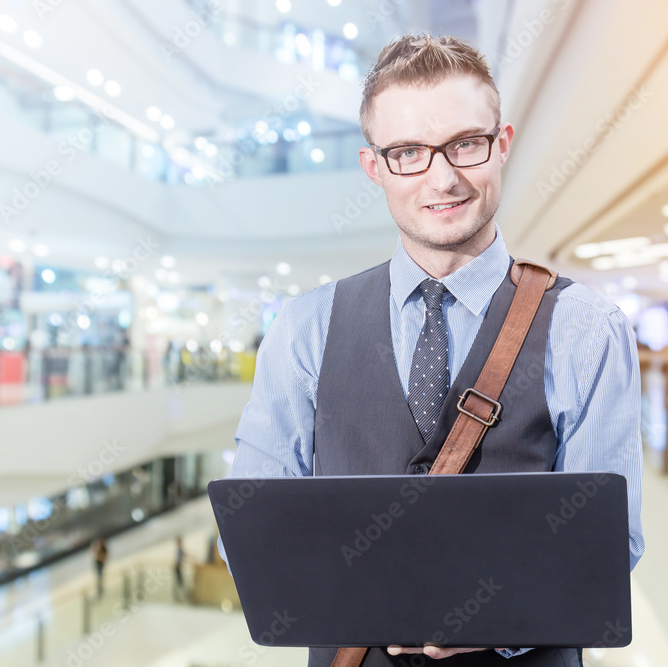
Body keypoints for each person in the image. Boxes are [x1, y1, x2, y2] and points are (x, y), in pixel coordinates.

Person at [221, 34, 644, 666]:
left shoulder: (587, 330)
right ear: (375, 167)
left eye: (465, 144)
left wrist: (498, 617)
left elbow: (610, 543)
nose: (442, 178)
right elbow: (254, 536)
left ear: (501, 144)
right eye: (409, 152)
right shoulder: (305, 328)